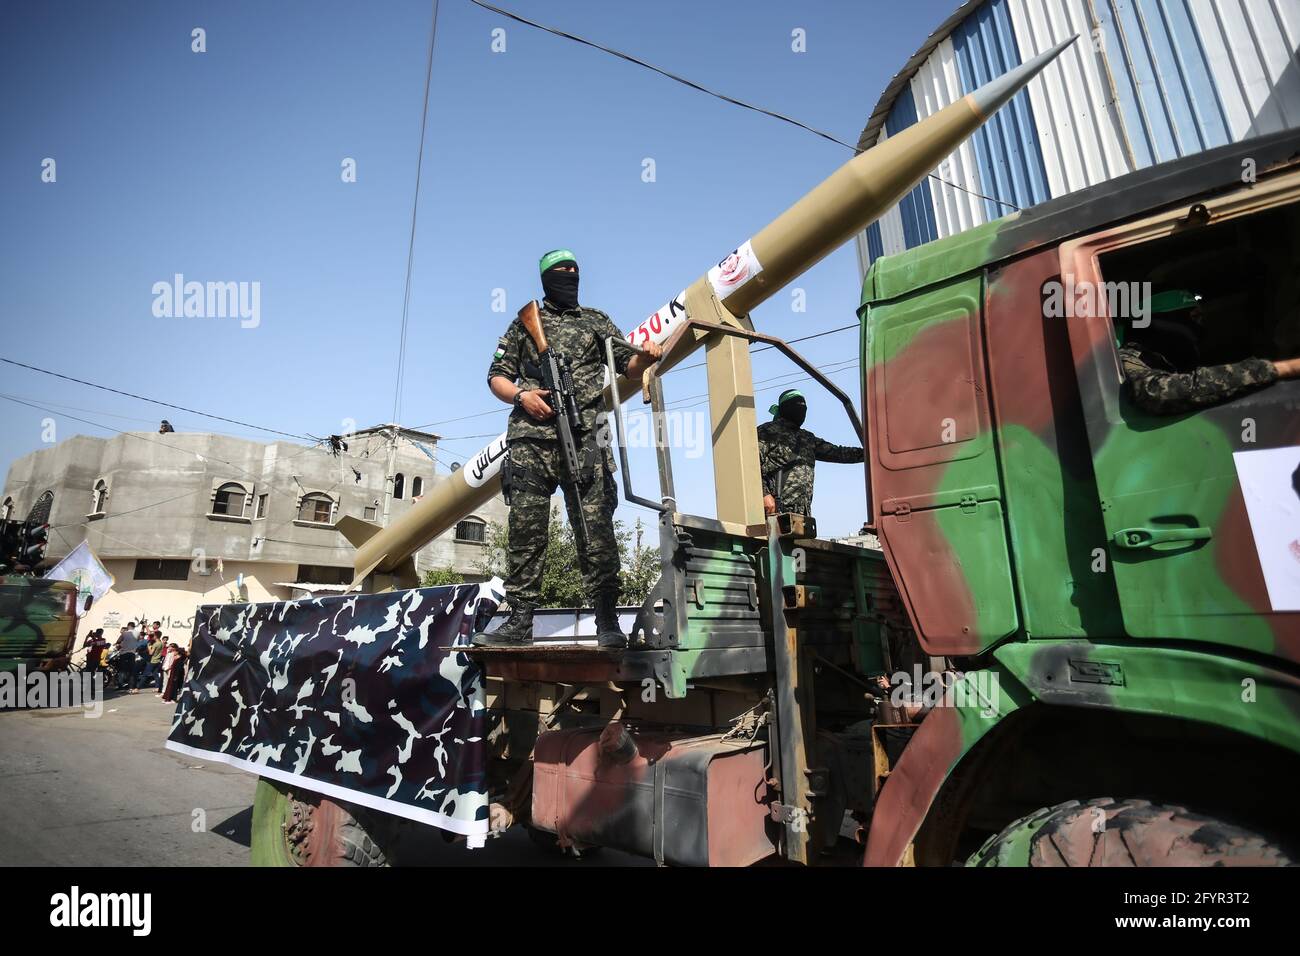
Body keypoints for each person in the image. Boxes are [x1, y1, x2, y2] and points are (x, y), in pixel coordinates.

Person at [476, 249, 662, 648]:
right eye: (562, 273)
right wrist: (523, 396)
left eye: (575, 272)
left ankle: (608, 623)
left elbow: (628, 364)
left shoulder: (596, 320)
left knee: (597, 533)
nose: (570, 278)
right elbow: (496, 376)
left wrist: (645, 357)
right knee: (526, 534)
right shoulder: (525, 324)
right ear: (546, 280)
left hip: (587, 437)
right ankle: (519, 623)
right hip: (532, 441)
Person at [1118, 290, 1300, 414]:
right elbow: (1158, 392)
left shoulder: (1162, 361)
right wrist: (1280, 368)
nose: (1199, 327)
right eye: (1194, 318)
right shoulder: (1126, 359)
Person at [757, 389, 864, 519]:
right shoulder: (766, 432)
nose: (801, 411)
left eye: (803, 408)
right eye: (796, 406)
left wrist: (870, 453)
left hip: (802, 517)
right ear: (784, 408)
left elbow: (838, 453)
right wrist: (764, 494)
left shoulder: (807, 438)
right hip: (773, 513)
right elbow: (750, 464)